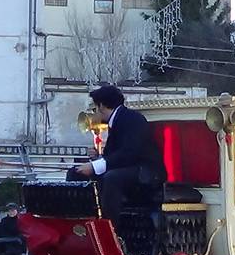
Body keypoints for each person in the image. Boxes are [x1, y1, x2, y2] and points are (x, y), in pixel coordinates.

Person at [67, 84, 166, 221]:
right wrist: (98, 158)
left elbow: (130, 153)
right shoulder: (116, 121)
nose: (95, 112)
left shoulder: (132, 119)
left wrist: (95, 166)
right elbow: (115, 155)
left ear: (101, 106)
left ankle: (110, 228)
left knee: (112, 178)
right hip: (127, 167)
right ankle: (79, 221)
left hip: (145, 171)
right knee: (75, 173)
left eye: (95, 108)